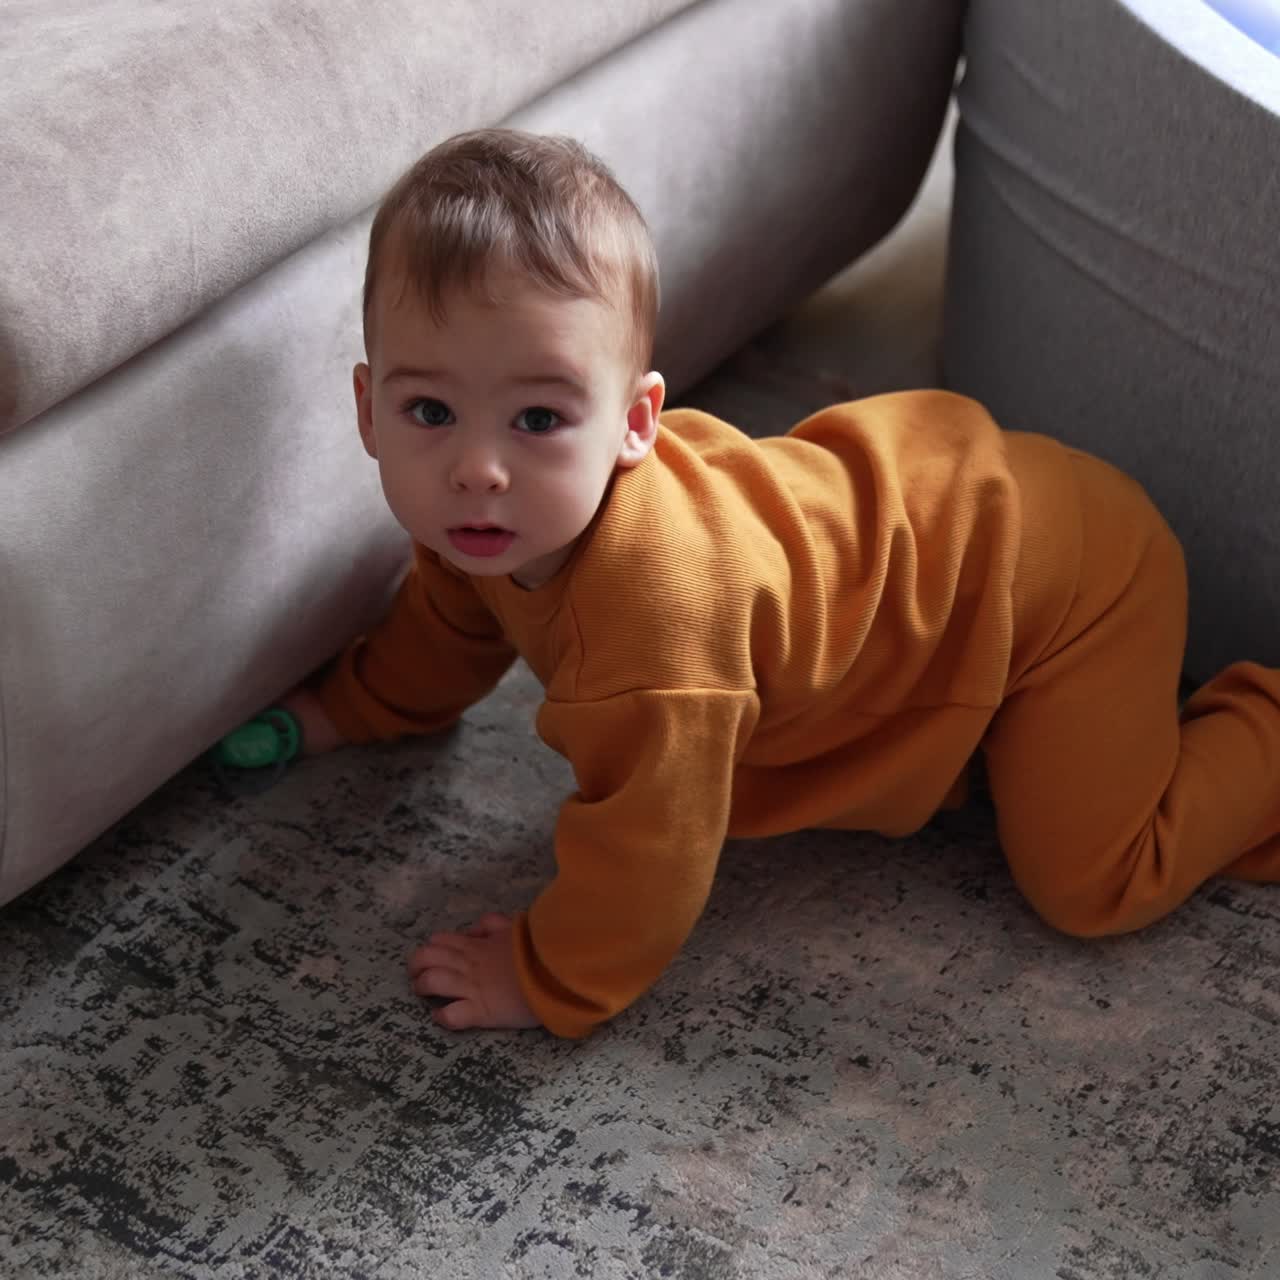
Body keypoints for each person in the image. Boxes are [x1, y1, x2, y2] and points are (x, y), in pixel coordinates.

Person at [263, 127, 1280, 1039]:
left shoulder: (654, 641)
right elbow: (445, 629)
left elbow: (652, 855)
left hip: (1063, 586)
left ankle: (1263, 730)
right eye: (430, 411)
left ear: (635, 423)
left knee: (1094, 880)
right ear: (368, 408)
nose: (474, 466)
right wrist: (352, 706)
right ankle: (964, 729)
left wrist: (542, 972)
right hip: (950, 536)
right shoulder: (478, 521)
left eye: (536, 419)